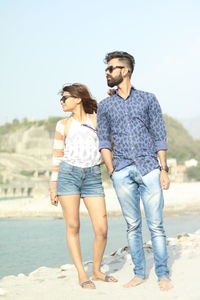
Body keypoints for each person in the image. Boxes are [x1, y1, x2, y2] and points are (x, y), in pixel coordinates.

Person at [97, 51, 173, 291]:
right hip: (121, 169)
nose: (107, 72)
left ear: (125, 70)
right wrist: (112, 170)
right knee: (132, 226)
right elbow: (103, 141)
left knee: (156, 225)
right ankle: (139, 273)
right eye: (107, 69)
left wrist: (163, 169)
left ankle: (162, 274)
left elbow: (159, 134)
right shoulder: (105, 105)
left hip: (149, 167)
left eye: (111, 68)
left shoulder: (149, 99)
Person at [50, 83, 117, 289]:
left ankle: (97, 270)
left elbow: (110, 143)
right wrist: (53, 186)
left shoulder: (96, 120)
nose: (62, 102)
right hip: (68, 175)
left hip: (93, 176)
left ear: (78, 98)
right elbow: (57, 156)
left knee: (102, 228)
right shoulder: (63, 124)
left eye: (65, 98)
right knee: (74, 226)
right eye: (61, 99)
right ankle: (82, 272)